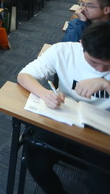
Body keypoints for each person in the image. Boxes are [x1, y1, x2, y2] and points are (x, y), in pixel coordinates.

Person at [17, 23, 110, 194]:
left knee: (102, 182)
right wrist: (45, 94)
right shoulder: (64, 51)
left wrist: (106, 84)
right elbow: (24, 75)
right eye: (94, 62)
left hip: (101, 129)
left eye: (107, 66)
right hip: (65, 118)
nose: (100, 70)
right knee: (34, 155)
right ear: (82, 44)